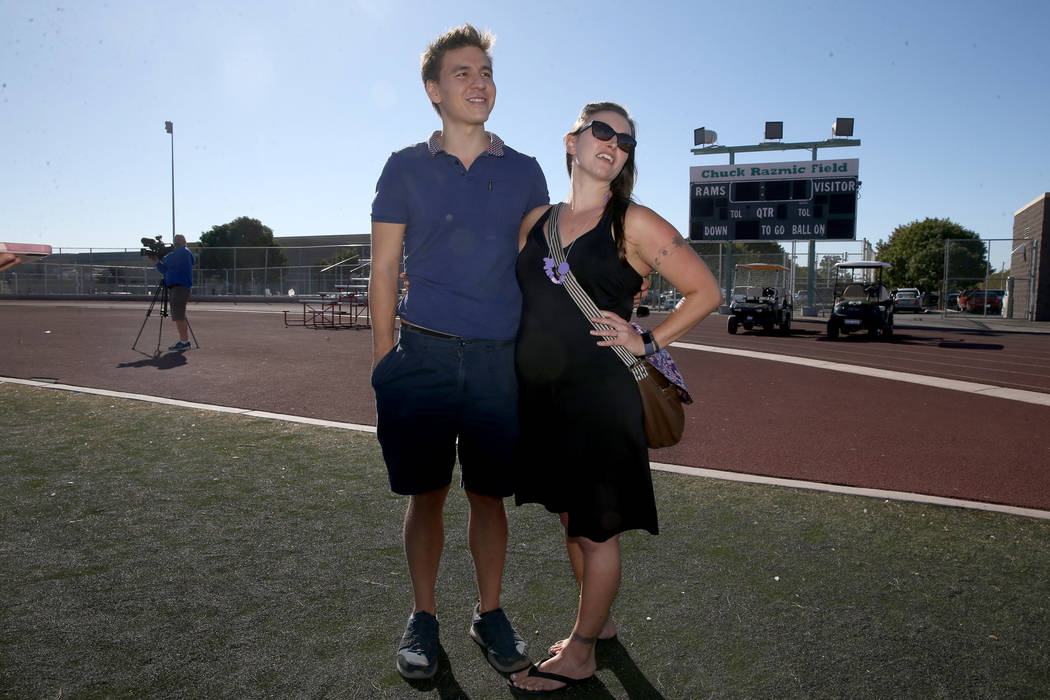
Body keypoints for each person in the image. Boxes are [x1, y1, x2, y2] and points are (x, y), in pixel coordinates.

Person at [509, 102, 722, 693]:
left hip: (601, 399)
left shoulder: (634, 222)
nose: (614, 144)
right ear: (572, 140)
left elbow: (705, 291)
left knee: (597, 528)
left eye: (625, 141)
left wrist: (648, 337)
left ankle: (579, 652)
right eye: (602, 131)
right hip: (544, 400)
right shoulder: (536, 222)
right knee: (573, 519)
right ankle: (594, 627)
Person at [368, 24, 549, 681]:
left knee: (489, 498)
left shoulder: (526, 171)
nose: (480, 83)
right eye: (464, 73)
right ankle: (424, 615)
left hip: (498, 361)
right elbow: (384, 270)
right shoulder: (404, 167)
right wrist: (386, 358)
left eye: (486, 72)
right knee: (427, 494)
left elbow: (548, 259)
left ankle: (489, 612)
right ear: (434, 90)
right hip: (423, 356)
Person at [152, 234, 195, 351]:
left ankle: (184, 342)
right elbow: (165, 269)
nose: (176, 245)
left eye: (177, 243)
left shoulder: (183, 252)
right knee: (179, 315)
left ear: (184, 242)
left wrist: (162, 254)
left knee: (178, 316)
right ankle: (184, 341)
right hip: (175, 288)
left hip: (180, 288)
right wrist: (156, 262)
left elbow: (167, 260)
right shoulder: (177, 256)